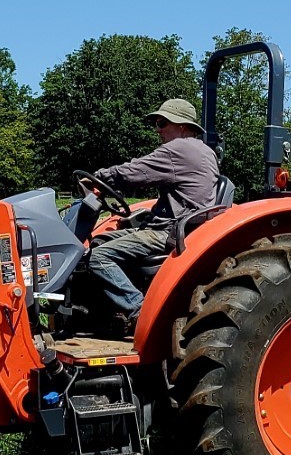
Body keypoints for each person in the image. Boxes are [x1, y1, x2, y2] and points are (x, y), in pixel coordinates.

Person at [80, 98, 221, 335]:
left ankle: (140, 310)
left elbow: (136, 171)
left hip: (169, 231)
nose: (158, 129)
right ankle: (109, 315)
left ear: (183, 126)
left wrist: (99, 178)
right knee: (99, 241)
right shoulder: (204, 151)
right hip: (178, 224)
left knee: (97, 257)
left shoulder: (180, 149)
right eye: (157, 122)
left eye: (162, 122)